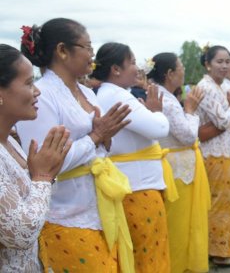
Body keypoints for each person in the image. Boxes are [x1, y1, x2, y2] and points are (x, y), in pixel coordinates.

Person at [16, 19, 133, 273]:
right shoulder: (43, 94)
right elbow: (47, 163)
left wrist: (105, 138)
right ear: (62, 50)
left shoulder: (88, 92)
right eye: (88, 47)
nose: (93, 55)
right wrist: (96, 136)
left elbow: (98, 147)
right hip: (66, 215)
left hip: (100, 207)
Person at [93, 42, 173, 272]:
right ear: (116, 69)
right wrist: (156, 110)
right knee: (149, 253)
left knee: (138, 254)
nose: (137, 68)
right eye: (132, 62)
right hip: (139, 188)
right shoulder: (119, 97)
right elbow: (159, 129)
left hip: (131, 184)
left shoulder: (109, 94)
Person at [0, 44, 71, 271]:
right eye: (29, 83)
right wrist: (42, 176)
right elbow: (20, 233)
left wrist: (42, 176)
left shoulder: (10, 142)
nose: (37, 91)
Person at [149, 53, 211, 273]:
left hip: (176, 164)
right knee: (179, 224)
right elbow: (187, 136)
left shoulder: (164, 95)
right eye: (181, 66)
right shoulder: (168, 101)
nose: (184, 69)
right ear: (169, 74)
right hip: (178, 168)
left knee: (180, 222)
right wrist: (191, 111)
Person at [196, 45, 230, 267]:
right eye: (220, 61)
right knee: (221, 204)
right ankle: (221, 253)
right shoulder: (206, 87)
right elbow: (223, 121)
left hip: (224, 151)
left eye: (228, 61)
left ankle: (217, 248)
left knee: (225, 202)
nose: (225, 66)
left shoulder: (222, 86)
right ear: (208, 64)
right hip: (213, 154)